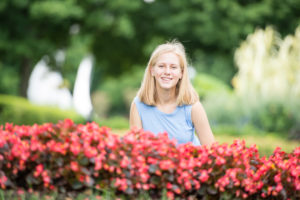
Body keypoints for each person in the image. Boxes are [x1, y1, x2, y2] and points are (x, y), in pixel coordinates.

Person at [129, 40, 215, 147]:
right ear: (152, 70)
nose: (167, 72)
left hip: (188, 163)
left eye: (173, 67)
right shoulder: (138, 105)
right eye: (161, 66)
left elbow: (212, 151)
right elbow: (135, 151)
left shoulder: (193, 107)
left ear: (181, 73)